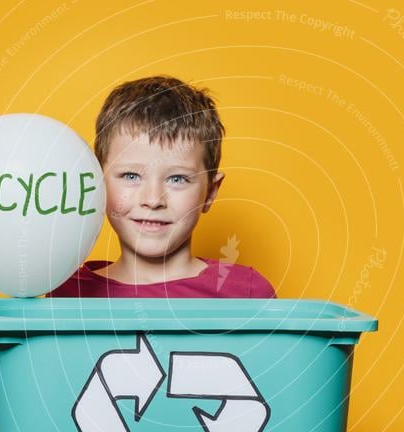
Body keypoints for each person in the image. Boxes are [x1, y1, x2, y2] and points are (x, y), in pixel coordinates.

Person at [47, 76, 277, 299]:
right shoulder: (67, 293)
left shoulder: (246, 294)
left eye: (177, 179)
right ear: (99, 183)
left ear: (211, 191)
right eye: (131, 175)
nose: (153, 199)